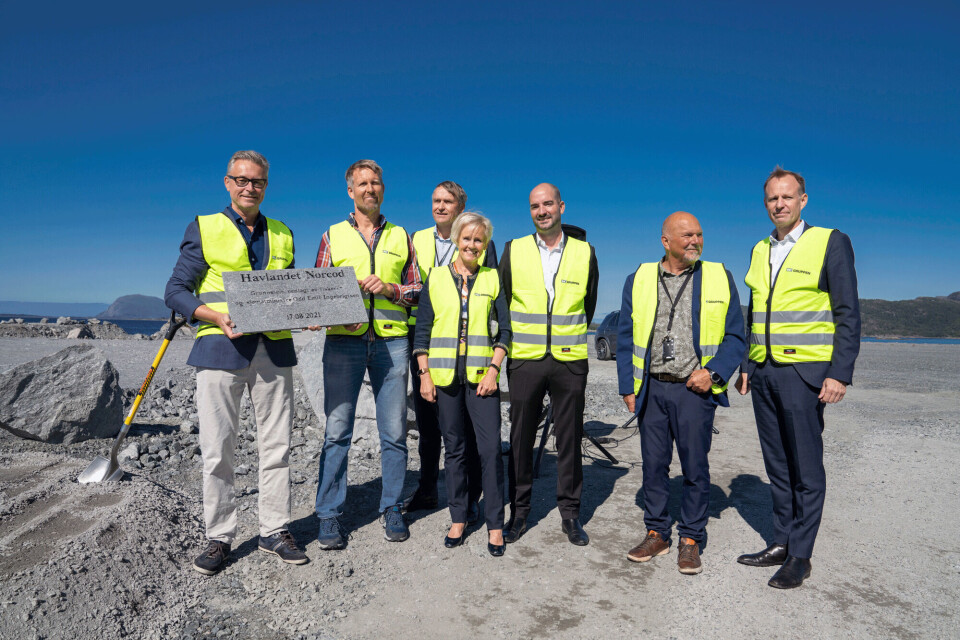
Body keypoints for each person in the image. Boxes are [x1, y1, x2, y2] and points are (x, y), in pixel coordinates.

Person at [164, 150, 307, 575]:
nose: (249, 187)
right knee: (217, 449)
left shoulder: (283, 233)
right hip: (219, 351)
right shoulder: (204, 227)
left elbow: (291, 292)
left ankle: (274, 530)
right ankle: (219, 537)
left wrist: (308, 316)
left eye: (257, 181)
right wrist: (214, 316)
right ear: (228, 182)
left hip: (275, 352)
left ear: (266, 185)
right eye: (241, 180)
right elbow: (176, 291)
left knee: (277, 446)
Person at [735, 167, 861, 589]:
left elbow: (847, 313)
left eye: (787, 197)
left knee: (806, 468)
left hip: (805, 374)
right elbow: (755, 312)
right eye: (773, 198)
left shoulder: (830, 242)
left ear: (803, 200)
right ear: (765, 203)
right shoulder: (759, 249)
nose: (780, 204)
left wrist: (839, 373)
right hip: (765, 372)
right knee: (777, 465)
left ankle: (801, 556)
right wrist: (748, 366)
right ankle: (781, 540)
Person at [616, 212, 745, 575]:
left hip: (694, 390)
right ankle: (657, 532)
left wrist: (714, 373)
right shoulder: (639, 278)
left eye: (700, 235)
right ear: (665, 241)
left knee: (694, 466)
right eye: (687, 235)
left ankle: (690, 538)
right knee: (654, 466)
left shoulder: (719, 276)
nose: (695, 241)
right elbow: (625, 337)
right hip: (652, 387)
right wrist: (629, 385)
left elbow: (736, 335)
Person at [311, 159, 422, 549]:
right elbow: (318, 291)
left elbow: (417, 290)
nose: (369, 189)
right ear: (350, 190)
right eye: (362, 183)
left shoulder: (400, 235)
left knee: (393, 433)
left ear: (383, 189)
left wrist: (391, 289)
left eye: (376, 182)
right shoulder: (332, 236)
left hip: (392, 342)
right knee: (337, 432)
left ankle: (392, 505)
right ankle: (328, 514)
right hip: (344, 342)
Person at [498, 183, 598, 546]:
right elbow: (503, 300)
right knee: (521, 438)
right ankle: (519, 512)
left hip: (569, 361)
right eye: (535, 206)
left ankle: (571, 515)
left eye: (548, 204)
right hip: (526, 359)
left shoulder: (585, 252)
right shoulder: (514, 249)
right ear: (531, 211)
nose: (542, 211)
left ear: (561, 207)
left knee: (569, 440)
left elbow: (588, 305)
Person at [413, 212, 510, 556]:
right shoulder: (436, 278)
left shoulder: (492, 279)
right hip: (444, 379)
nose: (472, 245)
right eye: (467, 238)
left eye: (479, 240)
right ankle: (458, 517)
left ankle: (495, 524)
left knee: (488, 451)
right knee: (453, 450)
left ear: (485, 245)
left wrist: (494, 370)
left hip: (482, 379)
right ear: (456, 238)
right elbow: (422, 331)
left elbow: (505, 332)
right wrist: (424, 375)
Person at [404, 182, 498, 521]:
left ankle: (471, 496)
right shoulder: (416, 239)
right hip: (425, 335)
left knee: (466, 427)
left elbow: (491, 292)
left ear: (460, 206)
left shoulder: (481, 241)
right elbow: (409, 281)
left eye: (448, 201)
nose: (441, 207)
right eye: (436, 201)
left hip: (468, 344)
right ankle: (428, 487)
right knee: (428, 420)